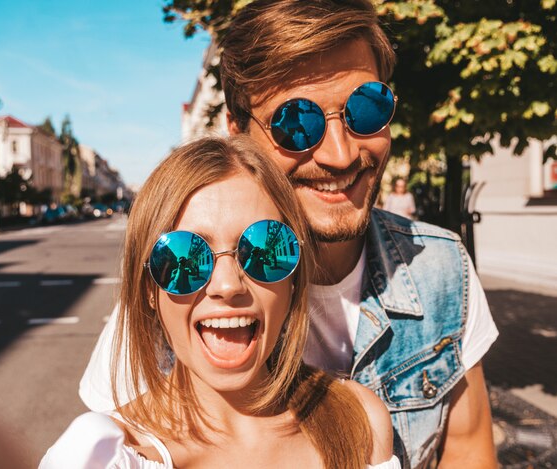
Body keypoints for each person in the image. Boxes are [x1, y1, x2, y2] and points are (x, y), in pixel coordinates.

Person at [81, 1, 499, 467]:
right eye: (295, 123)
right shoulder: (176, 297)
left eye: (366, 108)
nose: (340, 155)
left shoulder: (439, 268)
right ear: (236, 132)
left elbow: (468, 452)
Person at [41, 136, 400, 468]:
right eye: (184, 256)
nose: (227, 285)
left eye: (264, 249)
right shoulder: (102, 457)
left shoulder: (359, 422)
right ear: (149, 288)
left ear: (294, 279)